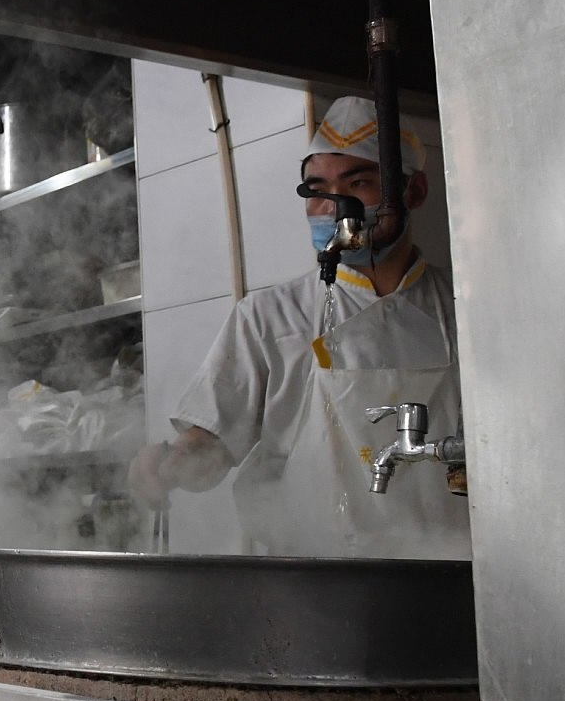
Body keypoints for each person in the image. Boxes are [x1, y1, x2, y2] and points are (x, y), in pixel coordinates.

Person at [128, 96, 469, 559]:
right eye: (317, 189)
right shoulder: (269, 317)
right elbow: (210, 448)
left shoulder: (466, 309)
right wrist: (168, 464)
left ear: (415, 191)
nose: (334, 206)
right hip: (314, 577)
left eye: (359, 183)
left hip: (450, 569)